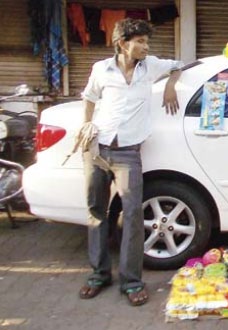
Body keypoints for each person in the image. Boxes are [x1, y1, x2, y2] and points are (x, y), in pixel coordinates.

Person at [77, 18, 182, 306]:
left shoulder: (151, 67)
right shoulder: (102, 69)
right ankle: (99, 274)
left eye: (147, 42)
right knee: (96, 212)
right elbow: (89, 97)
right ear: (123, 43)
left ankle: (132, 281)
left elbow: (180, 64)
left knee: (133, 214)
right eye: (141, 42)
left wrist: (171, 85)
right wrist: (86, 125)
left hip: (128, 153)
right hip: (97, 149)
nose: (146, 47)